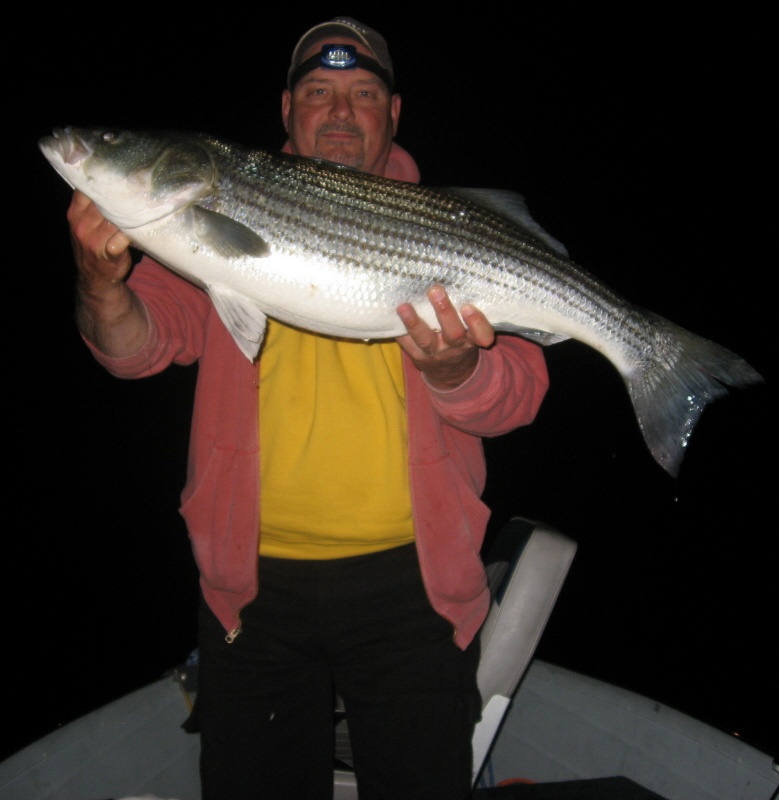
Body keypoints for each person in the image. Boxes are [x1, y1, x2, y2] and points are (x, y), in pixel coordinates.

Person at [66, 16, 549, 800]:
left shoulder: (448, 226)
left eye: (363, 95)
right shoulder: (195, 219)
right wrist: (98, 283)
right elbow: (135, 347)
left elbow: (517, 398)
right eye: (319, 93)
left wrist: (459, 370)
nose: (338, 113)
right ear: (286, 108)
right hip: (250, 591)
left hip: (414, 591)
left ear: (393, 116)